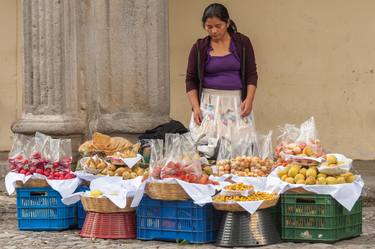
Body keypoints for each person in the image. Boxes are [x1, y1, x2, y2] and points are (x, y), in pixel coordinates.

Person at [185, 3, 258, 146]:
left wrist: (249, 100)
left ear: (228, 23)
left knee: (239, 148)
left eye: (219, 26)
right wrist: (196, 107)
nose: (214, 31)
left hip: (236, 103)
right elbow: (190, 79)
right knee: (207, 148)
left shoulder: (242, 43)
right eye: (209, 27)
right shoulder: (199, 47)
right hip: (209, 105)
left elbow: (251, 74)